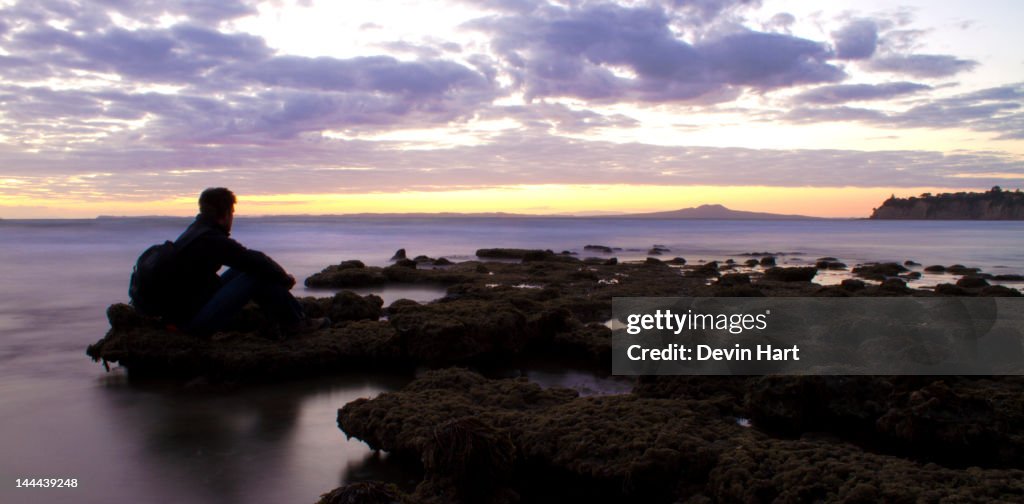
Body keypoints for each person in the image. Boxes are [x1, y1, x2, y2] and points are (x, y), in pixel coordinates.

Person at [164, 187, 329, 336]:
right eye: (232, 212)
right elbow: (252, 260)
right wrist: (283, 278)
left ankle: (288, 321)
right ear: (226, 213)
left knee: (247, 271)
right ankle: (295, 323)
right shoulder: (209, 239)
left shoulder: (195, 232)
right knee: (257, 275)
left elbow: (248, 260)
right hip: (190, 324)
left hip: (182, 312)